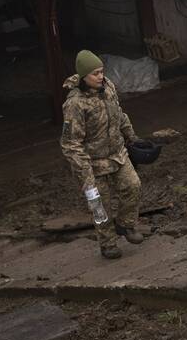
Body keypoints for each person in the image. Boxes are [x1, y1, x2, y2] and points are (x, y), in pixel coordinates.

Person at [59, 50, 145, 259]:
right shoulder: (75, 104)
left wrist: (133, 138)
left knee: (133, 186)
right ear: (83, 77)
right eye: (95, 73)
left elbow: (119, 114)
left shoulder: (108, 88)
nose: (100, 77)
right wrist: (86, 176)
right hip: (92, 164)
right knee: (100, 206)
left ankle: (125, 225)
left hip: (117, 154)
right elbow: (71, 144)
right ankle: (108, 244)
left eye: (101, 71)